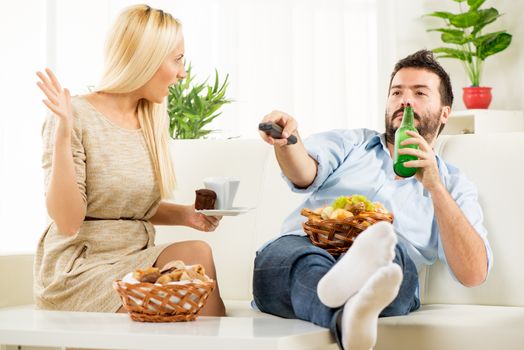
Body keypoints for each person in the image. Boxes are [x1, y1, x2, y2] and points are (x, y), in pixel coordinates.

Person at [253, 50, 491, 350]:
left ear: (445, 113)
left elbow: (473, 273)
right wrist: (288, 140)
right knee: (300, 258)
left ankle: (340, 301)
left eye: (419, 93)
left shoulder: (454, 185)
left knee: (393, 258)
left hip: (385, 265)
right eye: (397, 92)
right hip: (303, 248)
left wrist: (435, 187)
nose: (405, 100)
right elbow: (305, 172)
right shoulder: (351, 143)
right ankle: (346, 304)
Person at [34, 4, 225, 316]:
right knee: (176, 308)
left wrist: (186, 215)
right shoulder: (75, 116)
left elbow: (123, 205)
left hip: (136, 259)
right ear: (145, 58)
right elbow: (67, 221)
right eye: (177, 59)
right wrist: (64, 135)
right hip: (81, 270)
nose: (182, 73)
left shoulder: (150, 119)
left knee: (196, 253)